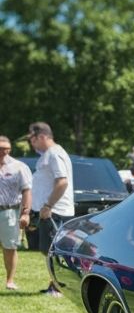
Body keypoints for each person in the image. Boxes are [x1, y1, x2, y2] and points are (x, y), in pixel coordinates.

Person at [26, 122, 75, 296]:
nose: (31, 143)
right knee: (48, 250)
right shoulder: (48, 155)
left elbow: (62, 182)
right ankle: (54, 284)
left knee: (53, 251)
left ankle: (58, 286)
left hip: (55, 211)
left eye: (32, 139)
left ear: (42, 136)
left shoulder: (54, 154)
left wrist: (48, 206)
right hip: (50, 211)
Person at [0, 136, 33, 290]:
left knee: (10, 247)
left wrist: (25, 213)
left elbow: (27, 191)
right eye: (1, 149)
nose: (4, 152)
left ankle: (10, 280)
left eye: (6, 149)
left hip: (10, 212)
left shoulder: (19, 167)